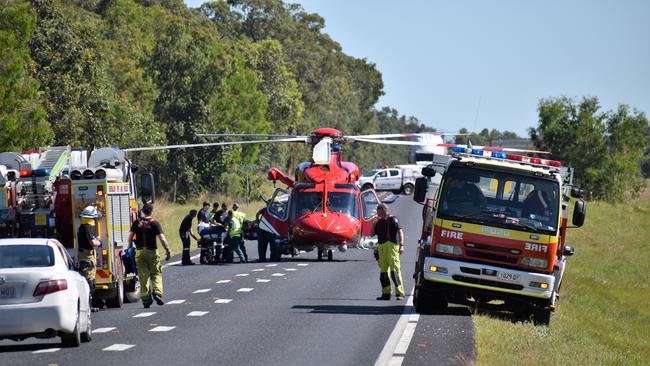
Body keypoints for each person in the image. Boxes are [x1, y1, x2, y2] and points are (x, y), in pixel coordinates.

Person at [128, 204, 171, 308]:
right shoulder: (155, 223)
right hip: (152, 252)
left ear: (143, 211)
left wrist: (129, 249)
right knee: (156, 273)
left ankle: (146, 300)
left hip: (139, 252)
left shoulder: (136, 223)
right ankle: (157, 292)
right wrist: (168, 251)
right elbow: (162, 239)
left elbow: (130, 238)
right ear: (151, 212)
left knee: (143, 276)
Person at [371, 203, 405, 301]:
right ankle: (386, 293)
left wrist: (401, 245)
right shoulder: (379, 222)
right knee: (383, 272)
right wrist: (373, 224)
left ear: (384, 210)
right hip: (382, 247)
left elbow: (400, 231)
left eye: (379, 211)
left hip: (392, 246)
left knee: (395, 271)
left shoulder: (393, 219)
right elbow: (372, 234)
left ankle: (400, 293)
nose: (378, 213)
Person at [77, 206, 101, 311]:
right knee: (89, 282)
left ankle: (88, 306)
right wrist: (99, 243)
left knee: (89, 281)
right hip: (87, 256)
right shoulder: (87, 227)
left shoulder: (82, 227)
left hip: (85, 255)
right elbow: (92, 242)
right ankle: (88, 307)